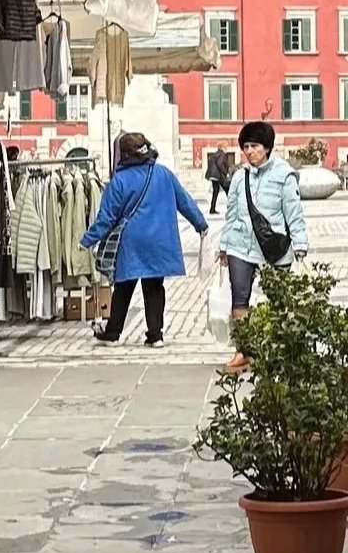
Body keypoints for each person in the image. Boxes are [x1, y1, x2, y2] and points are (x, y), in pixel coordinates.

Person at [81, 130, 207, 346]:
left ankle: (113, 333)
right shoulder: (164, 174)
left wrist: (87, 239)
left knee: (123, 287)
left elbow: (107, 217)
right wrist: (201, 225)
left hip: (132, 242)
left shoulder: (119, 181)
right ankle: (155, 335)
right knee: (155, 287)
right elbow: (184, 201)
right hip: (160, 240)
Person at [214, 119, 308, 374]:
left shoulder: (284, 175)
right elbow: (231, 213)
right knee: (240, 298)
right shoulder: (239, 177)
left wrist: (300, 243)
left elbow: (293, 212)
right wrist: (224, 245)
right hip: (240, 246)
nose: (249, 151)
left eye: (254, 146)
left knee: (279, 300)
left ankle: (277, 349)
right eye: (245, 146)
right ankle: (243, 351)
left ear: (266, 147)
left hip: (273, 247)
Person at [205, 146, 232, 214]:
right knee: (227, 189)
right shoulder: (222, 154)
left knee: (215, 192)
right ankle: (232, 207)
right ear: (223, 148)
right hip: (218, 175)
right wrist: (225, 173)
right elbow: (220, 164)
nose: (227, 149)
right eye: (226, 147)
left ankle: (212, 209)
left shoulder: (215, 154)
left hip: (213, 176)